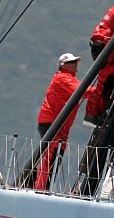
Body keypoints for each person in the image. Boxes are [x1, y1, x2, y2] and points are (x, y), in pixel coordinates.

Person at [33, 53, 92, 191]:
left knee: (55, 157)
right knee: (52, 156)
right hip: (52, 123)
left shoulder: (69, 78)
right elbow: (83, 91)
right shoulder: (63, 78)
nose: (76, 63)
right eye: (72, 62)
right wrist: (102, 91)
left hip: (59, 125)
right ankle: (41, 188)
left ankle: (43, 187)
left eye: (76, 61)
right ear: (63, 65)